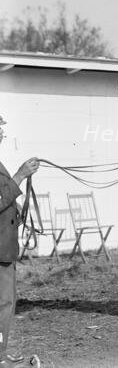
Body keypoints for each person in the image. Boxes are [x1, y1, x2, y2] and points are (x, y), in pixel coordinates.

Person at [0, 116, 40, 366]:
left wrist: (17, 213)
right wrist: (20, 175)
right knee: (3, 304)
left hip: (4, 245)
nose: (2, 134)